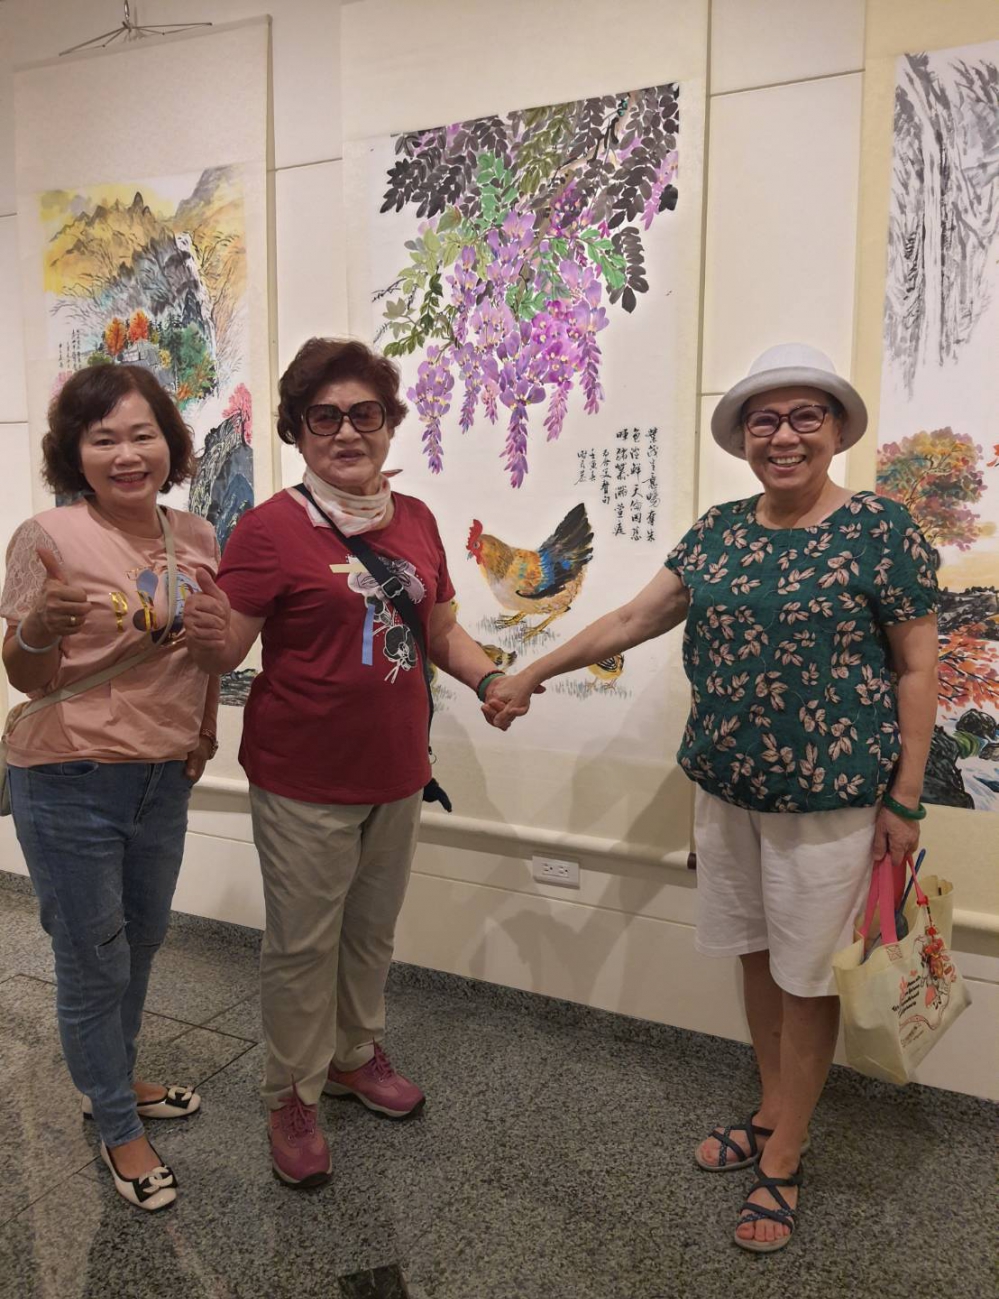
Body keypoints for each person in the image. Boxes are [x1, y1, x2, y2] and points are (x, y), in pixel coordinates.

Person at [485, 345, 939, 1252]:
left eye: (805, 416)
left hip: (829, 799)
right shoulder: (718, 531)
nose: (784, 436)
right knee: (755, 954)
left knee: (807, 977)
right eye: (764, 420)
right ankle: (771, 1108)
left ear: (835, 429)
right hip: (727, 788)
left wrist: (906, 798)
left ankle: (786, 1153)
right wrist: (529, 671)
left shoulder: (880, 529)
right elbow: (630, 618)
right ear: (741, 437)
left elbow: (916, 667)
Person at [183, 338, 508, 1188]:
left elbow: (439, 630)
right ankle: (289, 1092)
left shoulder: (417, 520)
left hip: (396, 769)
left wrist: (489, 679)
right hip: (302, 777)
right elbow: (228, 652)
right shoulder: (268, 529)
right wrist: (206, 633)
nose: (346, 431)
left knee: (370, 931)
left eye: (364, 413)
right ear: (296, 430)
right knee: (302, 946)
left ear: (390, 423)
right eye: (323, 417)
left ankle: (352, 1055)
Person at [1, 365, 220, 1212]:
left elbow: (206, 651)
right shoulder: (46, 534)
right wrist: (34, 629)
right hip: (68, 774)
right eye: (104, 439)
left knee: (144, 939)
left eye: (141, 434)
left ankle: (113, 1080)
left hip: (163, 774)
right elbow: (26, 675)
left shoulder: (197, 534)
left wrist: (205, 729)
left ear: (169, 443)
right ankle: (118, 1123)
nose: (126, 454)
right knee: (93, 959)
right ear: (75, 452)